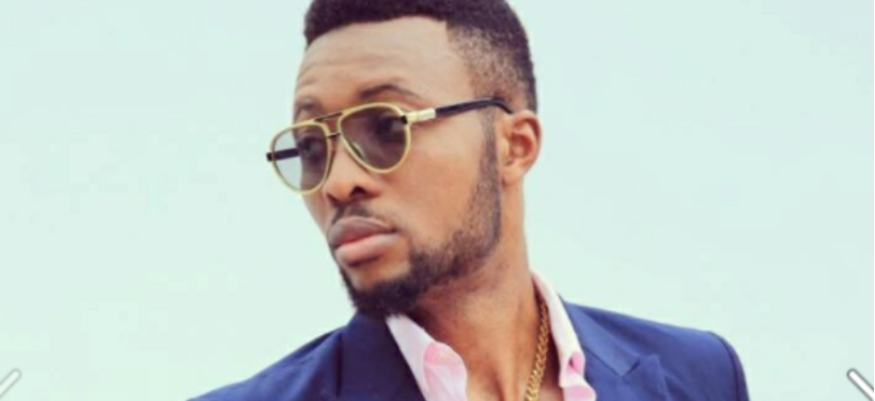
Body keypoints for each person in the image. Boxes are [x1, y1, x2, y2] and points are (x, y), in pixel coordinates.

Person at [191, 0, 750, 400]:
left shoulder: (697, 375)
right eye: (312, 148)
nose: (337, 182)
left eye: (386, 128)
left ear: (514, 146)